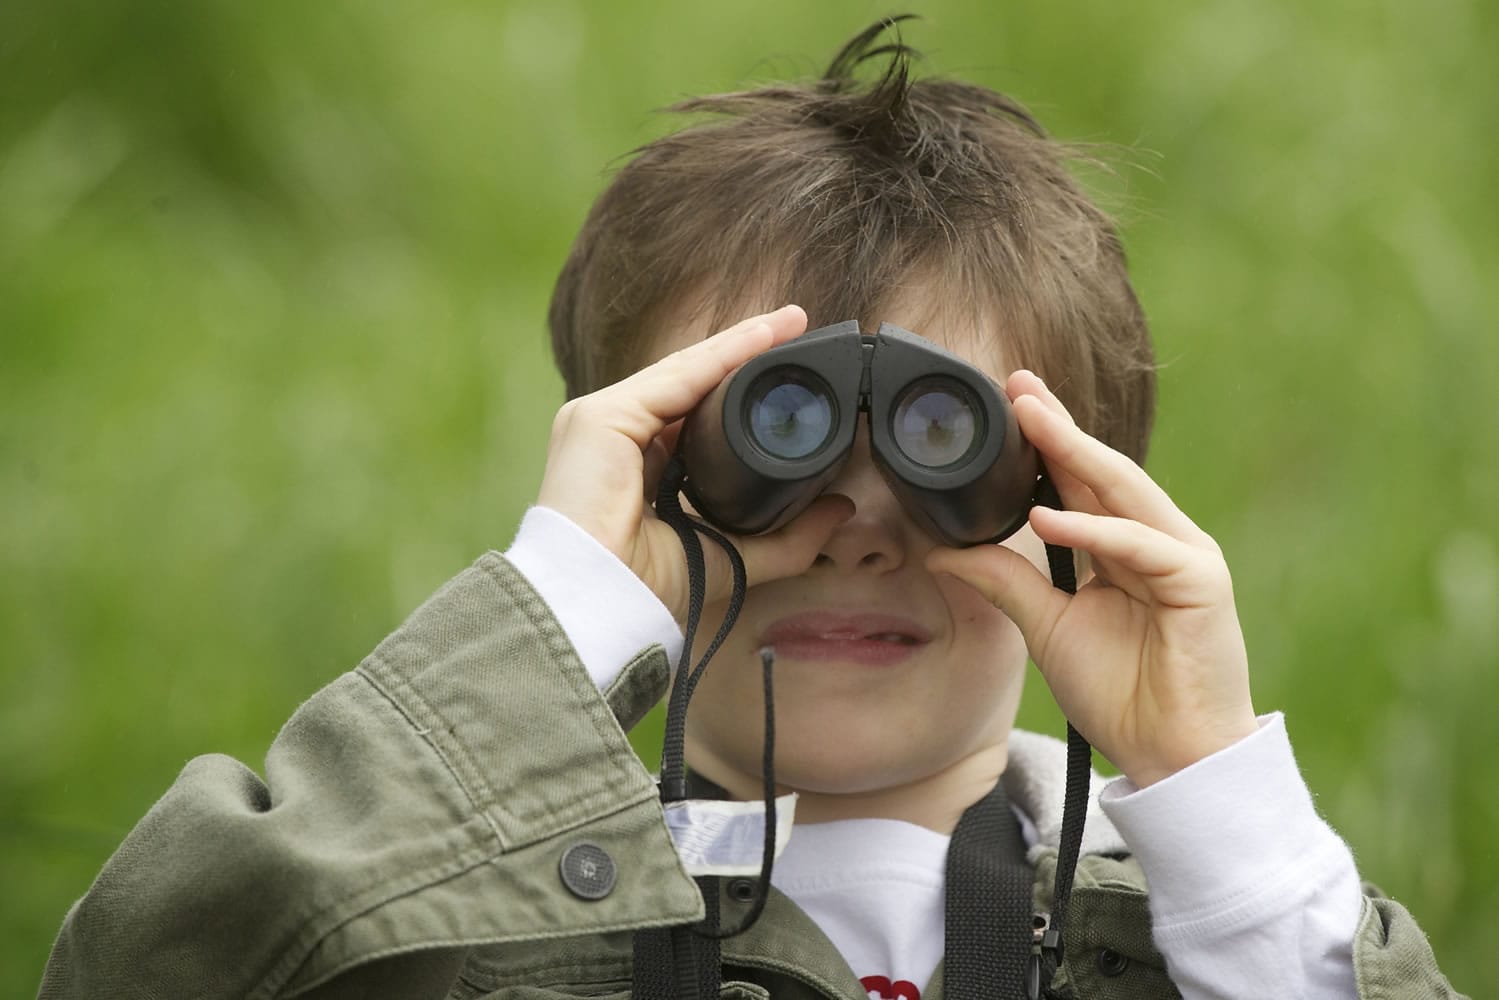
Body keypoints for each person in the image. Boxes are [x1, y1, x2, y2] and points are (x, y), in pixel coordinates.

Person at [40, 19, 1462, 1000]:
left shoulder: (1209, 924)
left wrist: (1212, 793)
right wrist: (559, 623)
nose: (851, 519)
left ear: (1067, 497)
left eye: (940, 441)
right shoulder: (464, 905)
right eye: (766, 427)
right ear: (637, 476)